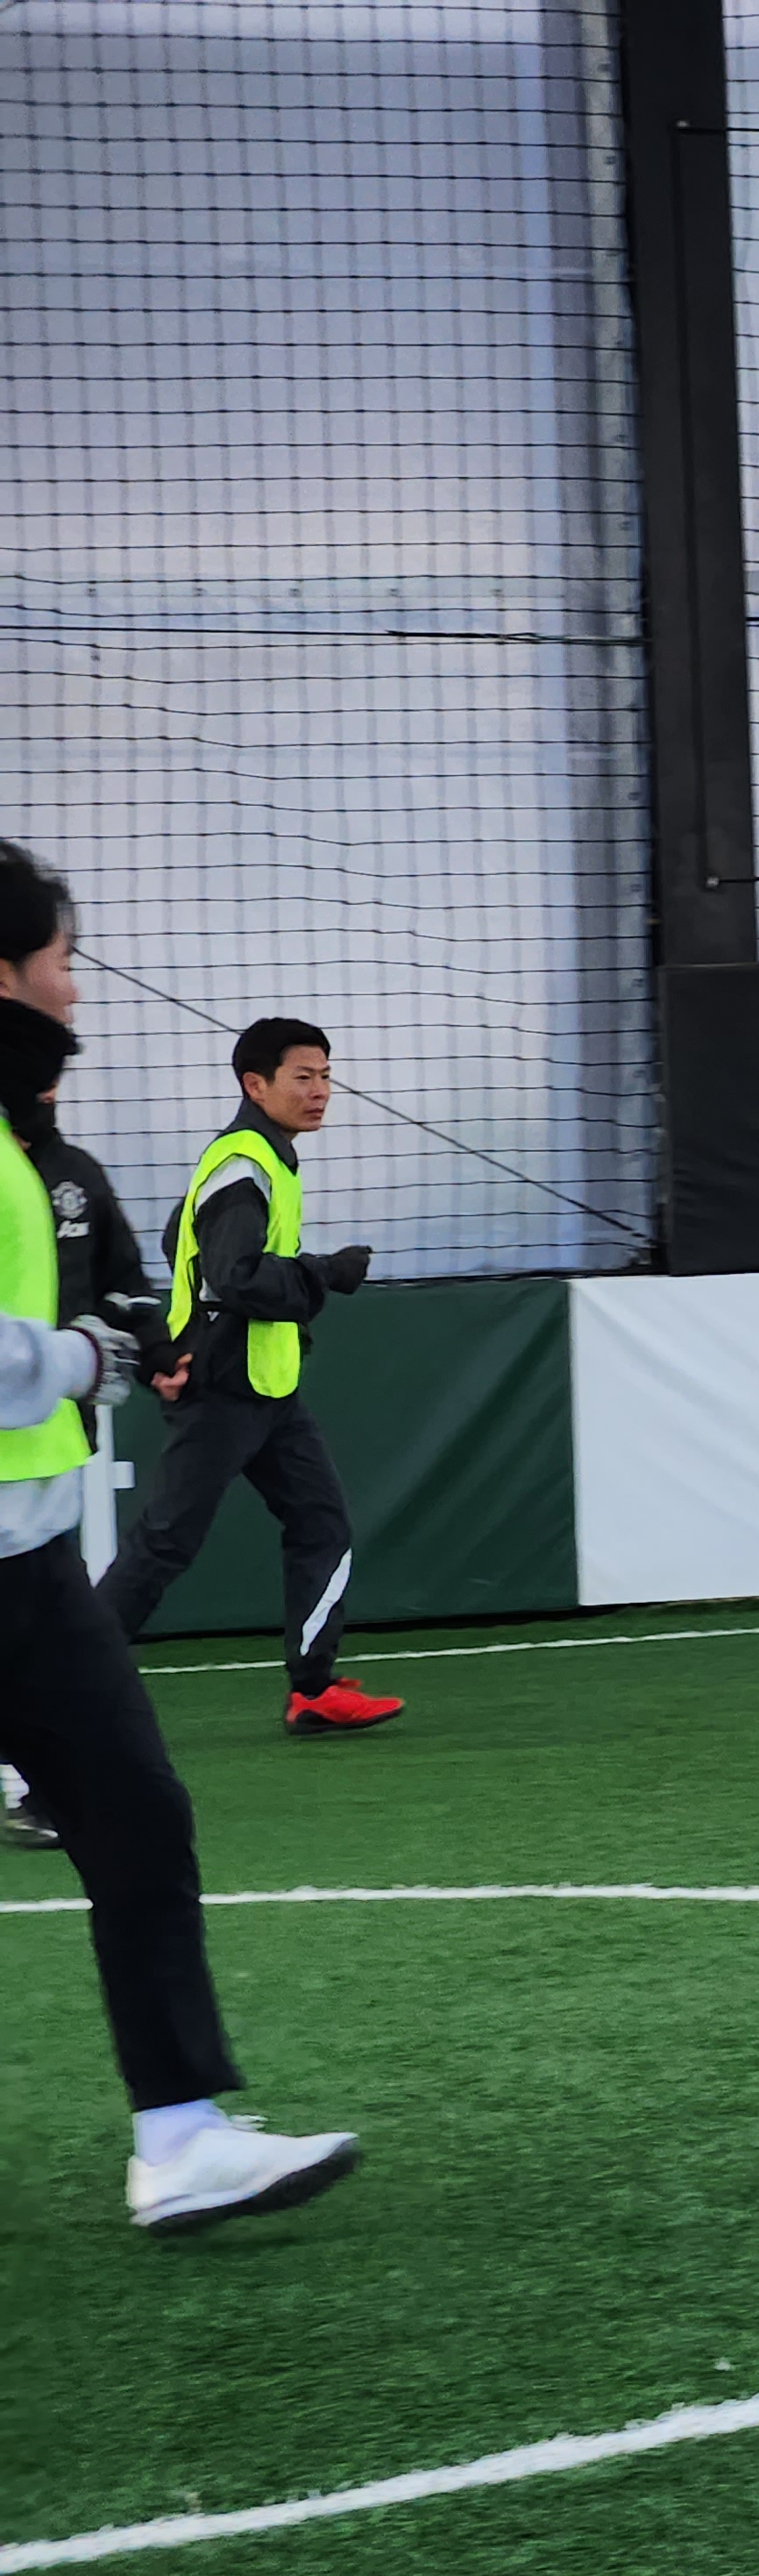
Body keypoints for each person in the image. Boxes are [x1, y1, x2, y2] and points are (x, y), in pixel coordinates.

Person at [0, 843, 361, 2227]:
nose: (77, 988)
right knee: (158, 1561)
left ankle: (182, 2135)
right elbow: (207, 1279)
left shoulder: (43, 1152)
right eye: (62, 960)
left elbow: (133, 1280)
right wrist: (80, 1362)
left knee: (140, 1818)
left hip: (29, 1565)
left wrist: (129, 1339)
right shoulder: (221, 1162)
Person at [96, 1016, 404, 1736]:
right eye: (304, 1077)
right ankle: (63, 1684)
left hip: (268, 1388)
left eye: (326, 1076)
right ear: (255, 1084)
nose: (321, 1091)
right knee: (165, 1542)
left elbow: (180, 1235)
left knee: (321, 1522)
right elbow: (235, 1277)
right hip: (223, 1389)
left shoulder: (261, 1158)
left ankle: (313, 1688)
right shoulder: (245, 1162)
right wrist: (325, 1273)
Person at [0, 1077, 181, 1850]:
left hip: (49, 1458)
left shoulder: (76, 1175)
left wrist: (158, 1353)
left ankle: (39, 1793)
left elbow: (126, 1281)